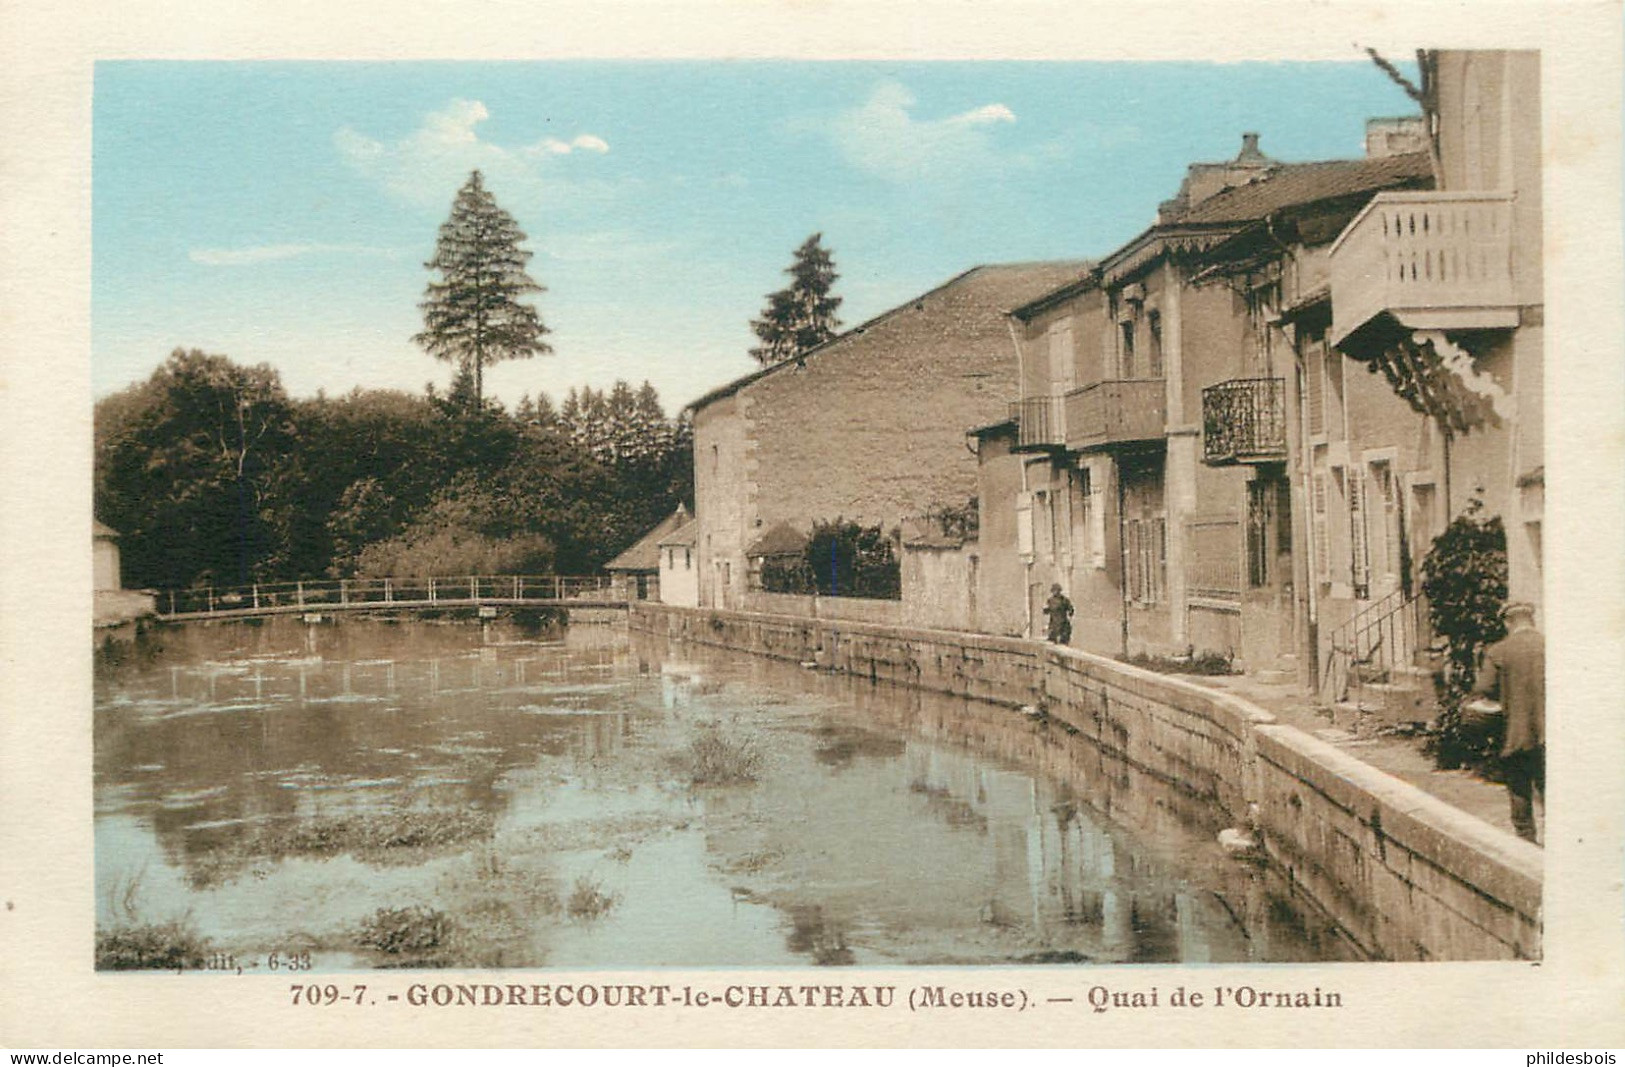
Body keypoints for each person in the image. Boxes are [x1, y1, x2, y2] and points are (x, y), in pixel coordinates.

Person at [1474, 601, 1545, 843]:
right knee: (1553, 792)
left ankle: (1526, 843)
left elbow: (1484, 689)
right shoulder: (1552, 646)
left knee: (1519, 789)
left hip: (1517, 735)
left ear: (1507, 622)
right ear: (1531, 620)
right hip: (1553, 736)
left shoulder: (1499, 651)